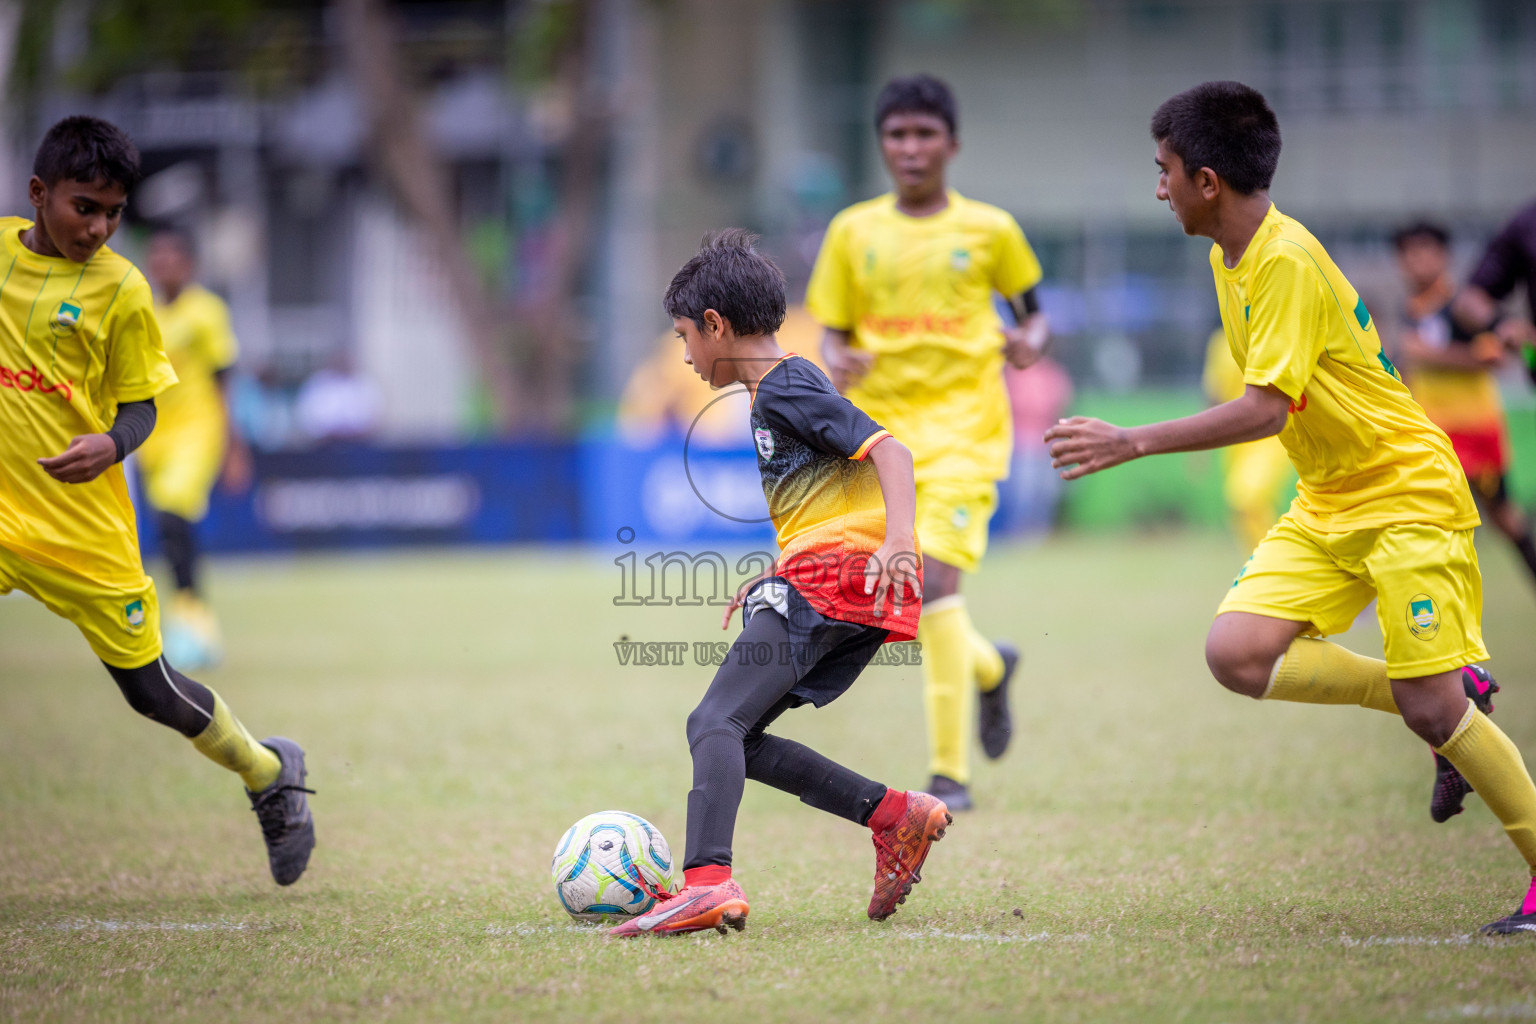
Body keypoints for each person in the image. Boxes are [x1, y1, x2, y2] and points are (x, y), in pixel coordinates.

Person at [1045, 82, 1536, 935]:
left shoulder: (1285, 259)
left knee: (1433, 710)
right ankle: (1455, 693)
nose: (1156, 187)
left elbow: (1267, 409)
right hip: (1330, 497)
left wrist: (1135, 439)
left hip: (1405, 493)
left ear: (1205, 180)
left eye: (1162, 171)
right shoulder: (1226, 256)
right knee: (1236, 653)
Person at [0, 116, 315, 885]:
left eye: (114, 212)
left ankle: (269, 771)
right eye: (85, 207)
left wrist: (110, 443)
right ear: (39, 195)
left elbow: (141, 406)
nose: (100, 227)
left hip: (85, 532)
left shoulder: (123, 289)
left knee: (151, 693)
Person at [610, 230, 946, 937]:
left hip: (839, 581)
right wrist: (778, 575)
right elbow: (831, 496)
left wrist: (894, 544)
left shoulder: (786, 384)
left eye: (684, 337)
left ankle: (706, 883)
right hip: (828, 579)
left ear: (715, 325)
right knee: (744, 735)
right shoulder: (776, 392)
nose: (684, 357)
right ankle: (895, 816)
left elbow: (890, 451)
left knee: (713, 722)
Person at [805, 74, 1047, 810]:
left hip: (968, 433)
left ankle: (949, 777)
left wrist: (1028, 342)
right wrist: (836, 359)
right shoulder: (853, 232)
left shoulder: (992, 231)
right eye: (897, 136)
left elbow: (1035, 314)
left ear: (952, 144)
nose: (911, 149)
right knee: (902, 607)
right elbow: (832, 333)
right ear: (882, 146)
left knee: (932, 586)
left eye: (924, 135)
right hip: (881, 442)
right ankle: (986, 667)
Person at [1392, 221, 1536, 588]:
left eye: (1425, 250)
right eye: (1408, 252)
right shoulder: (1411, 310)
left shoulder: (1462, 307)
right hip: (1433, 434)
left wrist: (1430, 355)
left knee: (1503, 517)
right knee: (1419, 517)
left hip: (1474, 431)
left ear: (1444, 257)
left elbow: (1494, 358)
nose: (1416, 260)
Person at [137, 226, 253, 669]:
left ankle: (194, 621)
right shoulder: (143, 308)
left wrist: (234, 445)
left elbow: (224, 379)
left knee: (172, 512)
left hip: (197, 433)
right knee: (170, 531)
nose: (163, 265)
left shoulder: (206, 312)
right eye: (157, 257)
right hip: (153, 437)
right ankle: (193, 622)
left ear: (189, 265)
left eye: (172, 257)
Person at [1201, 326, 1293, 551]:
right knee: (1241, 510)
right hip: (1237, 440)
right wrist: (1202, 447)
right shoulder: (1220, 343)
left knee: (1246, 500)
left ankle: (1274, 561)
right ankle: (1265, 564)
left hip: (1272, 436)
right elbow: (1214, 394)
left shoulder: (1275, 332)